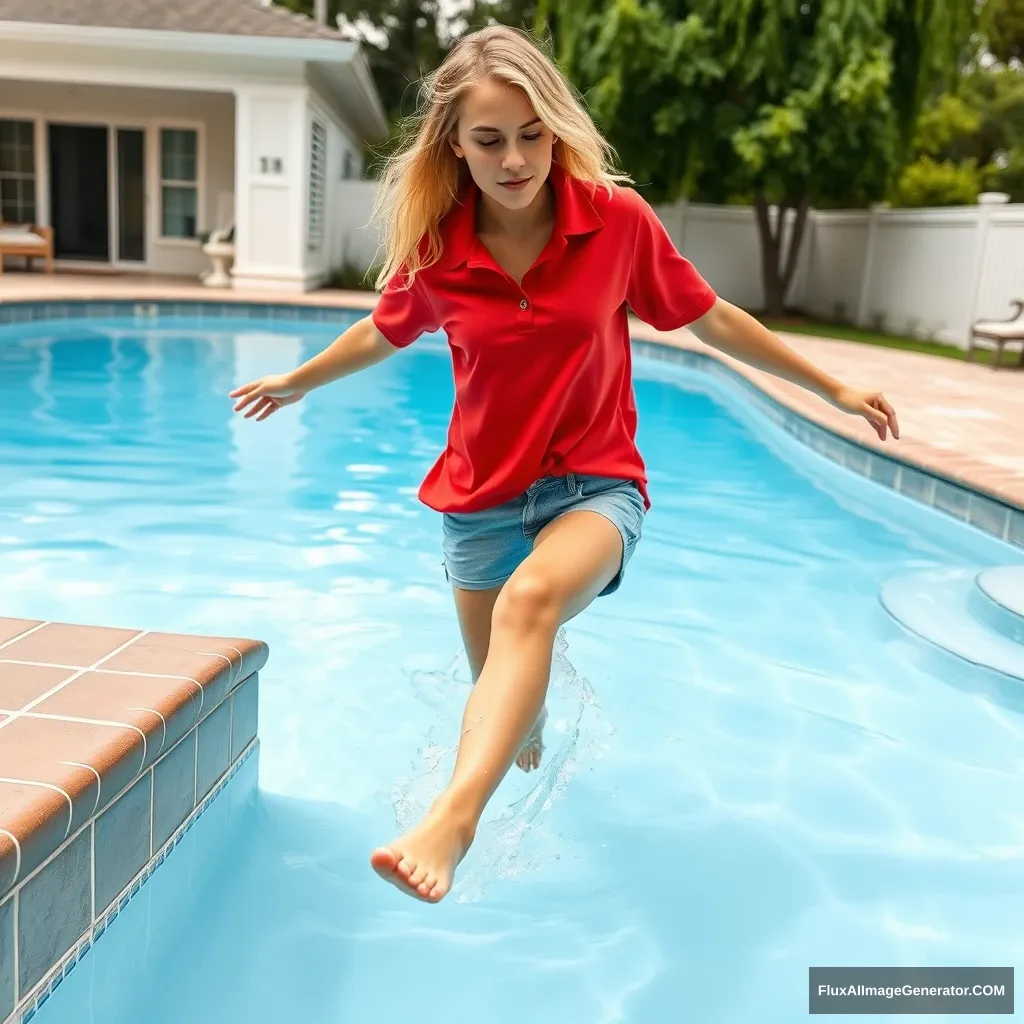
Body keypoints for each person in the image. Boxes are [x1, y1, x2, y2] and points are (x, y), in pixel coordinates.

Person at [229, 25, 899, 904]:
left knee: (531, 603)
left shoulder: (614, 222)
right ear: (455, 147)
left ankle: (451, 821)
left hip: (595, 484)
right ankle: (523, 738)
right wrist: (300, 380)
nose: (515, 158)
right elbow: (380, 329)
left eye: (532, 133)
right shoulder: (439, 250)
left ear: (555, 128)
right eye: (490, 139)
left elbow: (711, 316)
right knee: (516, 715)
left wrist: (834, 386)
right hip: (476, 503)